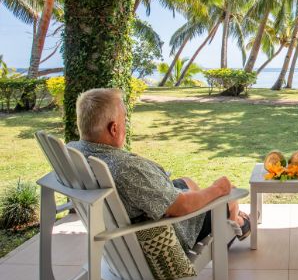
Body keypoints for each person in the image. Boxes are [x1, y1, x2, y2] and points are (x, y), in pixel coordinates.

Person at [68, 88, 250, 251]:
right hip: (172, 231)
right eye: (125, 119)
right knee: (229, 195)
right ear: (114, 129)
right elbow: (181, 206)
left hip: (133, 223)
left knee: (188, 181)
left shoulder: (78, 152)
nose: (126, 124)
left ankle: (237, 218)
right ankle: (238, 223)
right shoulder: (127, 169)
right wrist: (218, 189)